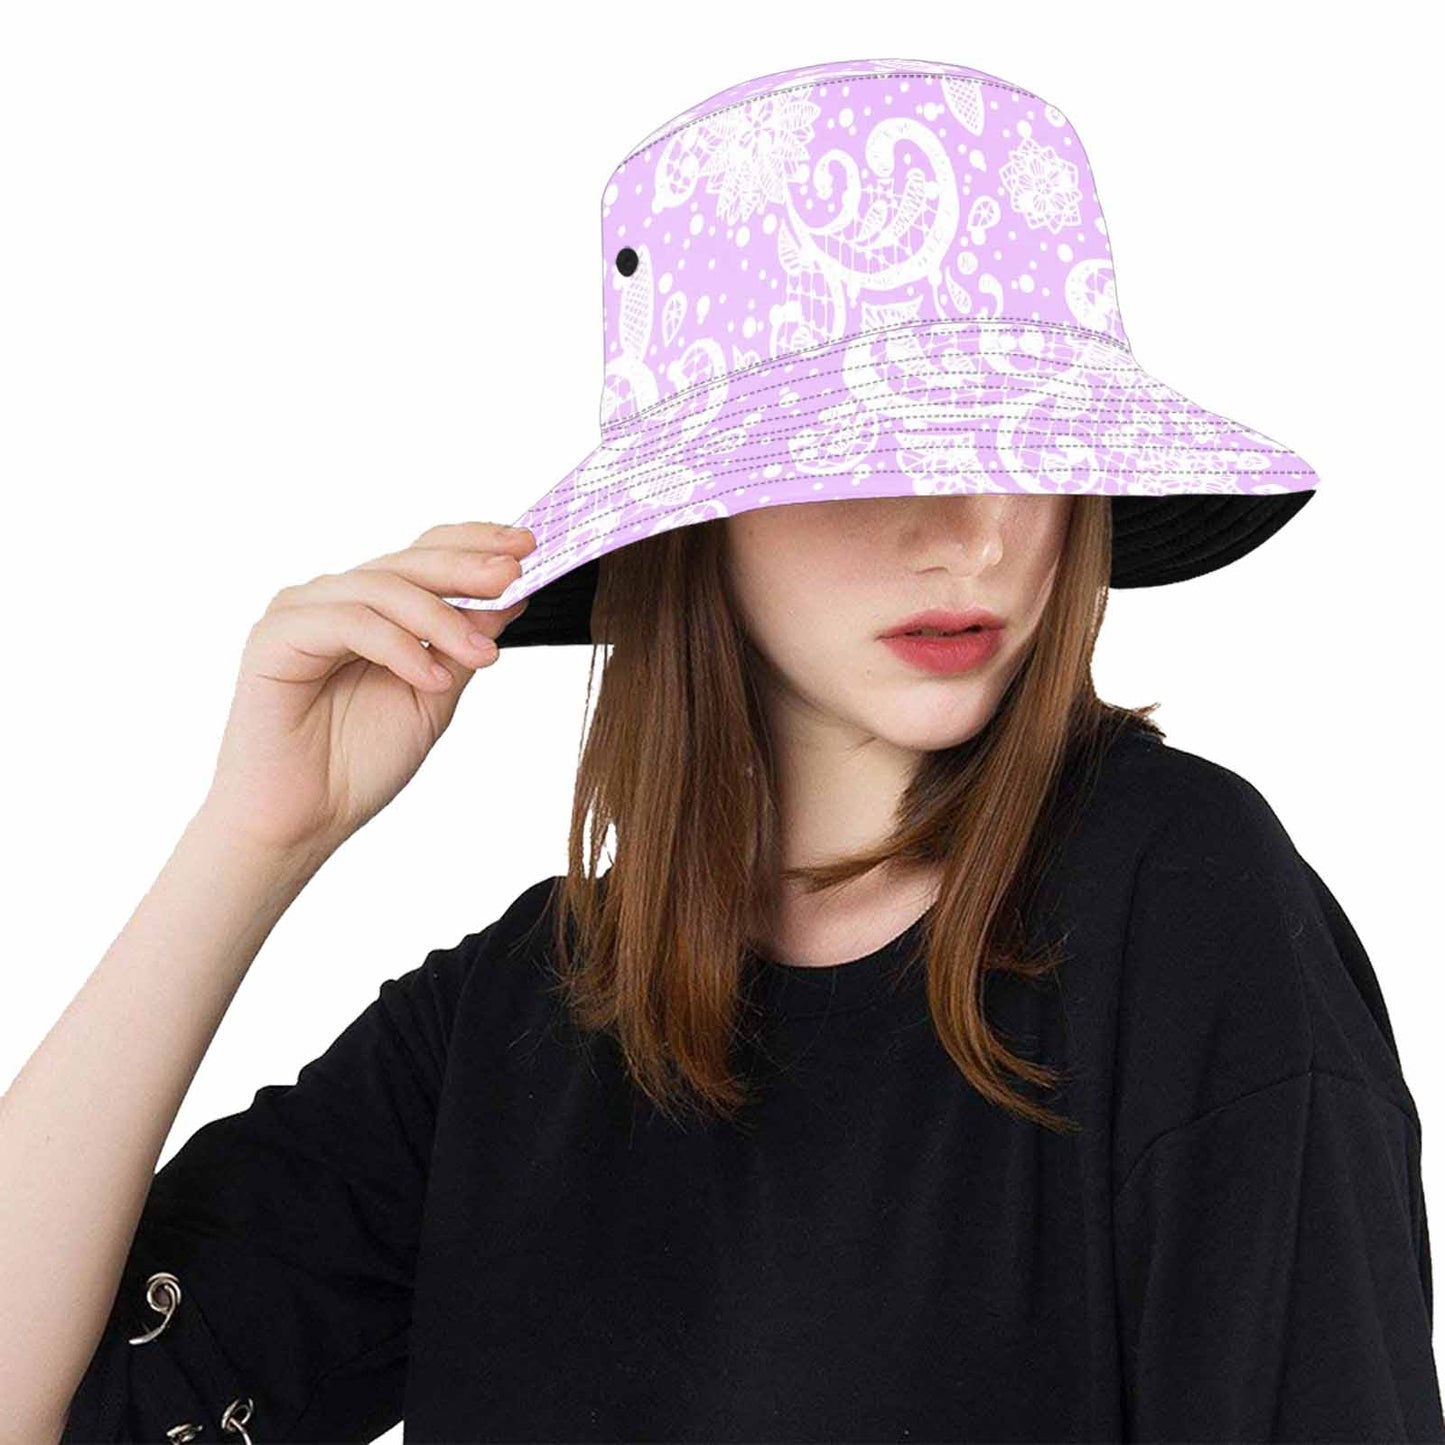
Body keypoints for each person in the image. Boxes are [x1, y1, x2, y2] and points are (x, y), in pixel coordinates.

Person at [7, 53, 1442, 1444]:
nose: (976, 529)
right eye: (874, 447)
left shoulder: (1183, 907)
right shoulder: (524, 1019)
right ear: (698, 514)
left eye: (1025, 441)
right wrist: (252, 842)